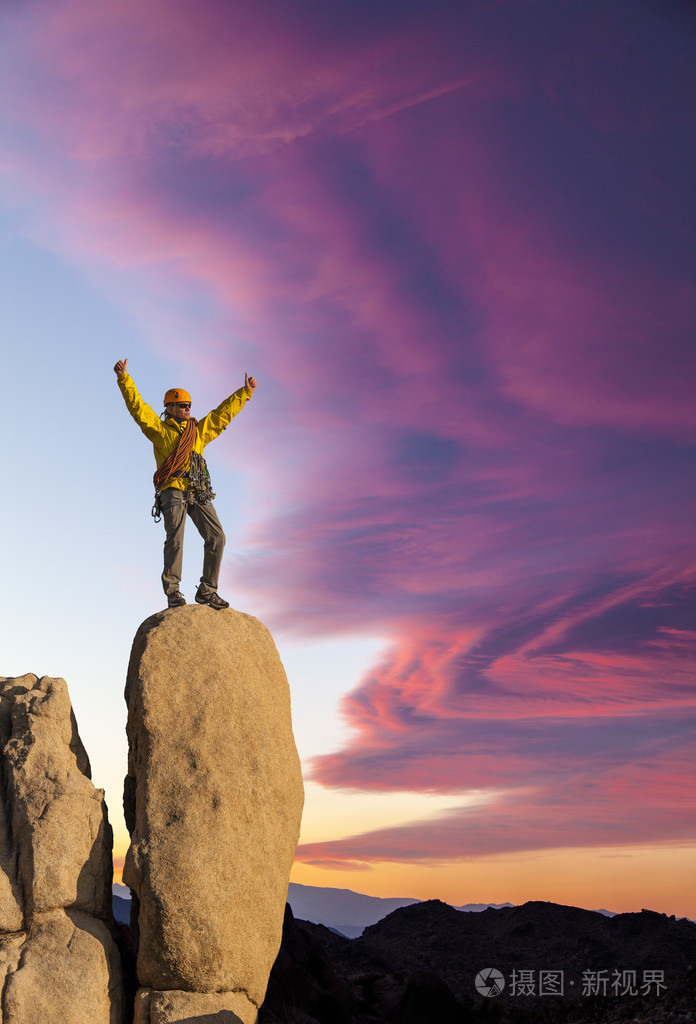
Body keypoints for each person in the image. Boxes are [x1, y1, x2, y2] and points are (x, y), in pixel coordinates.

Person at [113, 358, 257, 610]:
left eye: (189, 405)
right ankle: (173, 592)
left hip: (198, 490)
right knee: (176, 539)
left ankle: (207, 590)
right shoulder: (159, 430)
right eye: (182, 405)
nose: (187, 408)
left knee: (217, 537)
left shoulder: (198, 431)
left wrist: (244, 393)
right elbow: (138, 408)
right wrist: (124, 379)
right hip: (173, 491)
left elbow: (221, 415)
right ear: (169, 408)